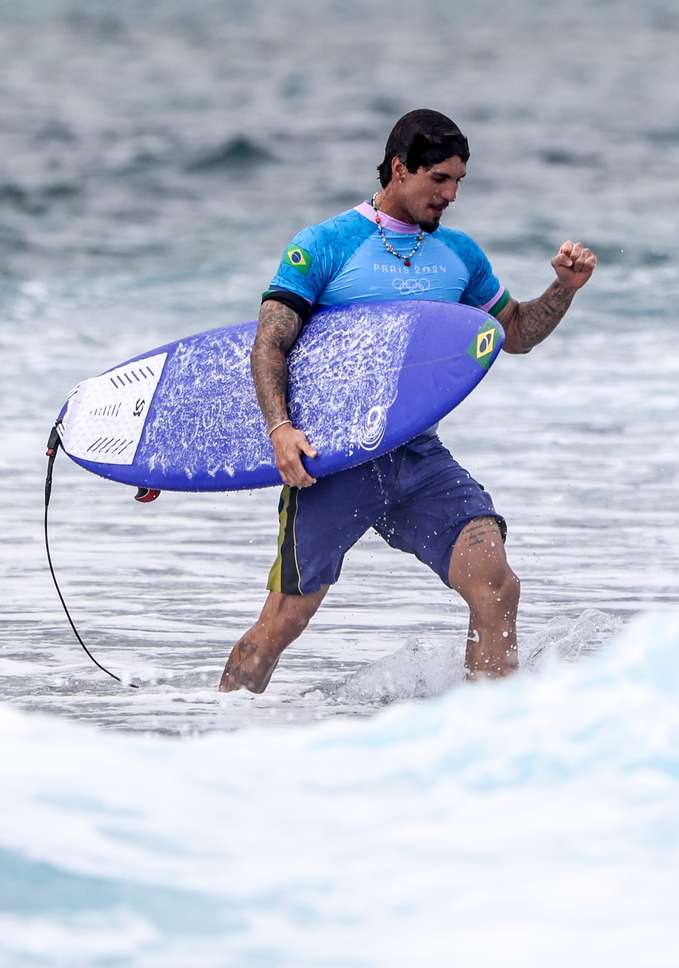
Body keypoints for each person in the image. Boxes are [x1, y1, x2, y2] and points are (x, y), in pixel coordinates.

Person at [219, 109, 597, 694]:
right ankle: (216, 727)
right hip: (333, 460)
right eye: (439, 180)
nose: (450, 195)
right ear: (400, 168)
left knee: (496, 583)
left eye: (458, 183)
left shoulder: (459, 256)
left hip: (416, 455)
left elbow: (515, 333)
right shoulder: (325, 245)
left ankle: (493, 732)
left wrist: (563, 291)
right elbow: (271, 340)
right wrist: (280, 428)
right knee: (284, 621)